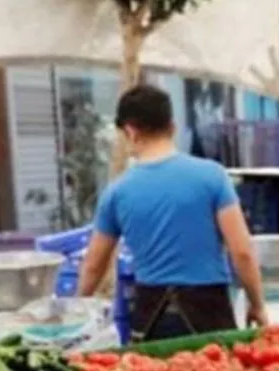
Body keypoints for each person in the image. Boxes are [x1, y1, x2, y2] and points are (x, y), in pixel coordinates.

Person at [77, 84, 267, 340]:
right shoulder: (212, 176)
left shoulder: (117, 192)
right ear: (172, 127)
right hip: (210, 313)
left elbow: (93, 267)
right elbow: (242, 252)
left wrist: (74, 313)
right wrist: (257, 304)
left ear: (130, 132)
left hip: (151, 317)